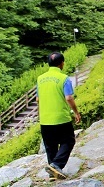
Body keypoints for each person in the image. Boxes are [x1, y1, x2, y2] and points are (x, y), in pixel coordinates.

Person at [37, 52, 81, 180]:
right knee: (68, 141)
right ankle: (56, 165)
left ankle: (52, 172)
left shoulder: (40, 79)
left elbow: (38, 99)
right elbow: (69, 97)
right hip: (61, 118)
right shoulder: (64, 78)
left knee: (50, 146)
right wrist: (76, 112)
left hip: (45, 119)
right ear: (62, 63)